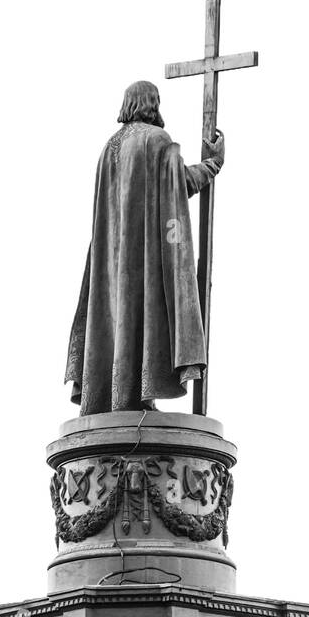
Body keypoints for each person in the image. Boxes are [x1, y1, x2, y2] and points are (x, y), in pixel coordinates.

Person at [65, 80, 225, 415]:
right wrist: (212, 164)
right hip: (147, 259)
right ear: (151, 103)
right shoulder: (157, 141)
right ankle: (138, 397)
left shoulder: (108, 149)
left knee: (115, 322)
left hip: (110, 266)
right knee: (144, 319)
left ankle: (119, 397)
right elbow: (178, 183)